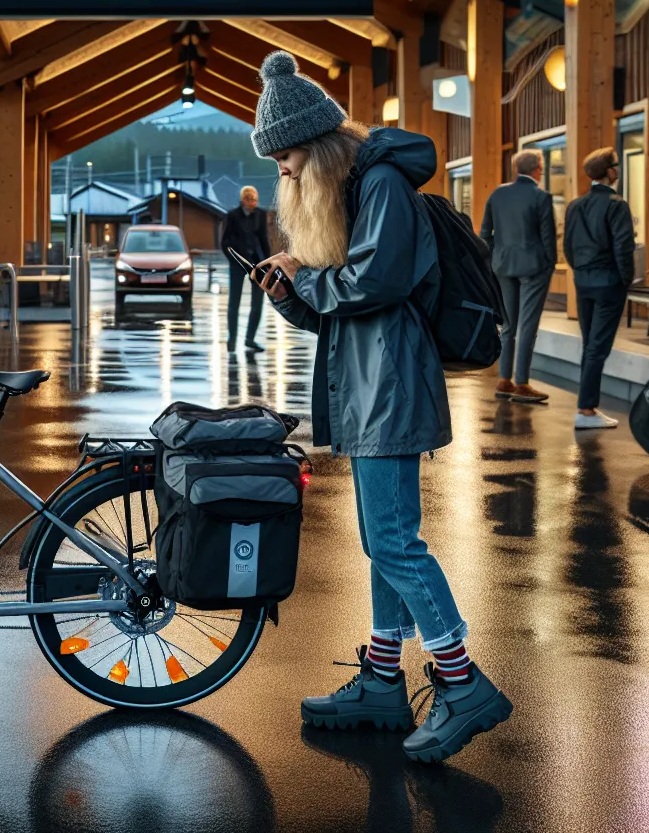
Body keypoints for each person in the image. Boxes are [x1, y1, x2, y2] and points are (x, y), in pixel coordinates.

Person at [248, 49, 511, 764]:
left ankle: (462, 683)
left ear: (319, 147)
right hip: (368, 384)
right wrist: (291, 294)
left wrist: (308, 276)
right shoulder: (358, 191)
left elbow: (377, 282)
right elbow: (343, 308)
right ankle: (384, 678)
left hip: (391, 384)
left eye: (287, 159)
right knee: (380, 541)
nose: (285, 174)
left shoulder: (383, 183)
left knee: (394, 540)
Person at [561, 148, 635, 429]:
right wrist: (626, 279)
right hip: (609, 283)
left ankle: (587, 407)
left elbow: (567, 247)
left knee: (589, 344)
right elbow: (623, 247)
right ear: (610, 171)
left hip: (583, 281)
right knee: (598, 348)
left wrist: (580, 270)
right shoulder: (617, 205)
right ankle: (586, 410)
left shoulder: (575, 205)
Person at [479, 149, 556, 404]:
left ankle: (504, 380)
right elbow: (548, 237)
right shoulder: (541, 197)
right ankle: (522, 383)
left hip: (503, 266)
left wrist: (495, 259)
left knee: (509, 325)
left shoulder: (498, 194)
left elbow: (485, 234)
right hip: (534, 267)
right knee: (528, 326)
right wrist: (550, 264)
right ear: (538, 169)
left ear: (516, 169)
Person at [221, 184, 272, 351]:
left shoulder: (260, 215)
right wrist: (232, 259)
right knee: (234, 302)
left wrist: (267, 263)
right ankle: (232, 339)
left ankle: (250, 339)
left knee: (257, 302)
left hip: (256, 264)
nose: (253, 202)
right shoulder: (232, 216)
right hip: (237, 263)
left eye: (255, 199)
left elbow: (264, 240)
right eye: (249, 199)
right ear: (243, 200)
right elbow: (225, 242)